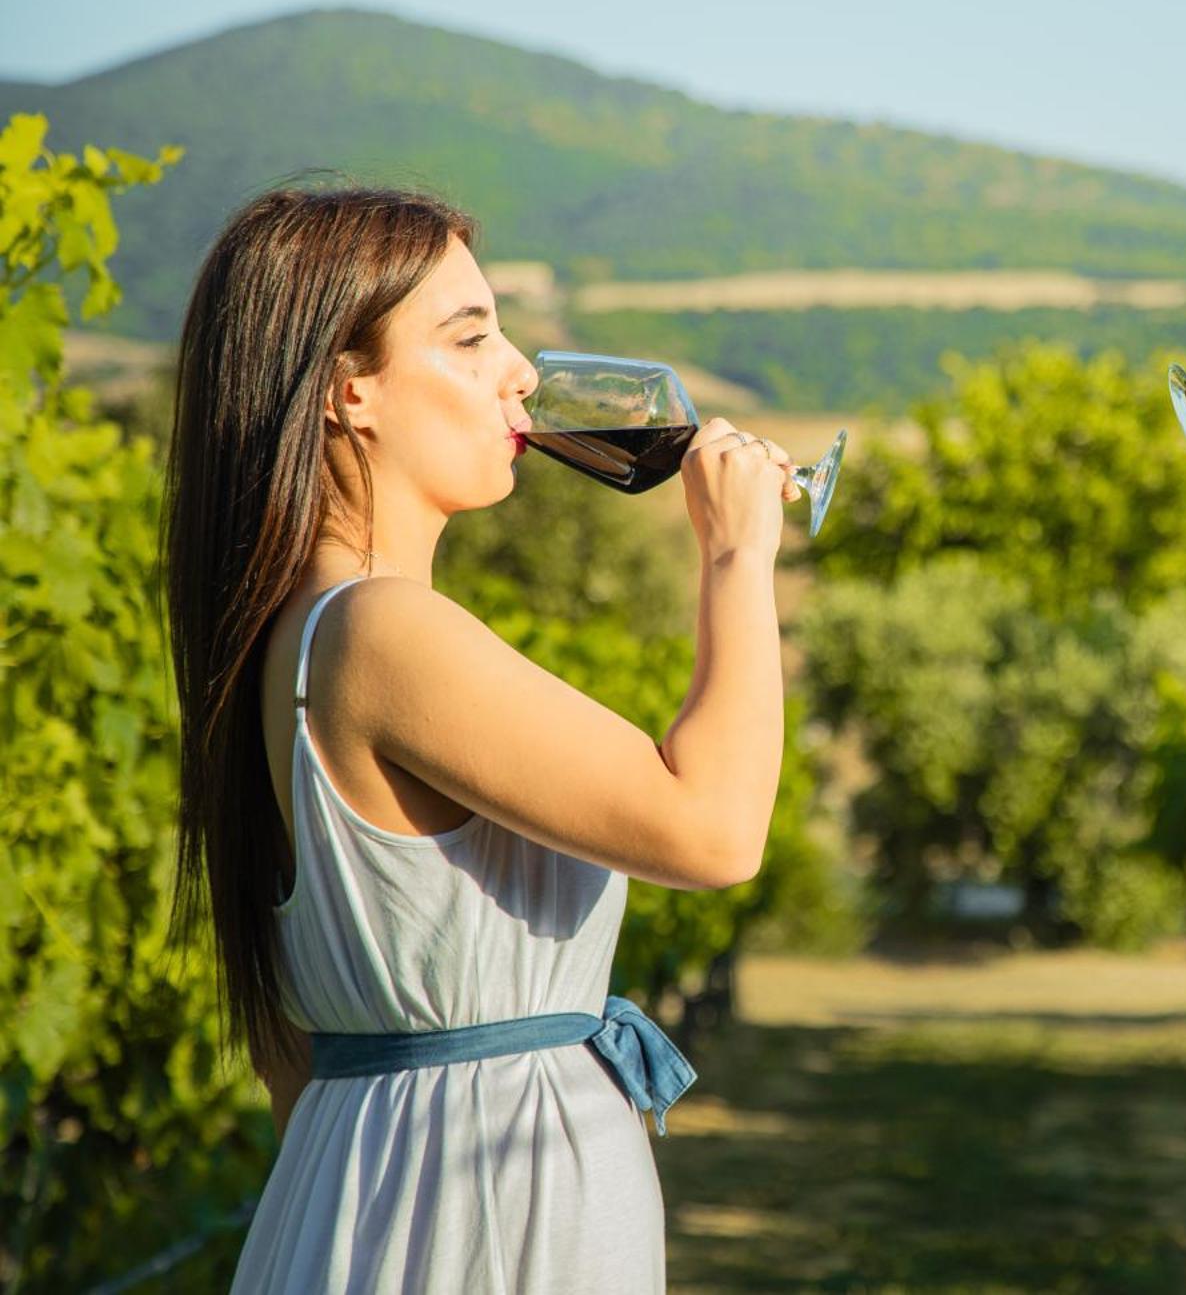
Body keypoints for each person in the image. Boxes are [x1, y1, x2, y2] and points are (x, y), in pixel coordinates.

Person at [164, 186, 799, 1292]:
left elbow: (293, 1063)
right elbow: (715, 829)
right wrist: (739, 558)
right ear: (344, 392)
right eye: (470, 337)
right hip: (482, 1212)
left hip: (399, 1193)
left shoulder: (291, 641)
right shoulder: (379, 630)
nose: (519, 371)